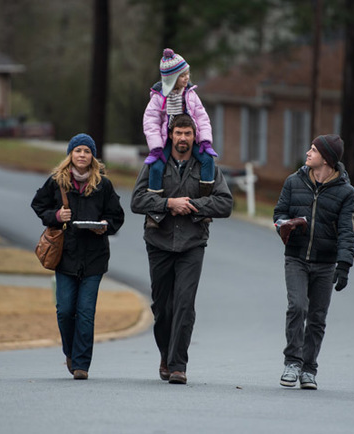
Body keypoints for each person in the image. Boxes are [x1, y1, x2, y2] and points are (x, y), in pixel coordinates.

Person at [131, 114, 233, 385]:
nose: (183, 138)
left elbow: (225, 204)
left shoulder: (207, 166)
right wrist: (168, 204)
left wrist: (194, 206)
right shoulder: (155, 164)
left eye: (188, 133)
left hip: (192, 243)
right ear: (171, 135)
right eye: (179, 133)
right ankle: (165, 355)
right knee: (163, 308)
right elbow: (137, 201)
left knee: (185, 305)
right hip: (159, 243)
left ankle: (178, 365)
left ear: (195, 135)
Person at [31, 133, 125, 380]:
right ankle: (70, 352)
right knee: (64, 310)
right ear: (70, 154)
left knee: (85, 311)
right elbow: (38, 206)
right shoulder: (57, 182)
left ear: (93, 156)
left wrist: (104, 224)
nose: (82, 155)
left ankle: (81, 364)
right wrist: (55, 216)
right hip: (66, 256)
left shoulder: (103, 185)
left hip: (94, 258)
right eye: (78, 150)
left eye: (87, 151)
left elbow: (117, 216)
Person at [273, 134, 354, 390]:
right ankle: (292, 363)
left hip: (325, 262)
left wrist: (344, 265)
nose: (308, 153)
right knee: (297, 307)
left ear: (327, 159)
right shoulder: (293, 182)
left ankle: (309, 369)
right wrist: (285, 225)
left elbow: (348, 230)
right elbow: (279, 213)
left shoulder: (346, 193)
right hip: (296, 257)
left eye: (313, 150)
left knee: (318, 317)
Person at [143, 48, 218, 226]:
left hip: (191, 138)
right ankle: (154, 213)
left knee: (208, 160)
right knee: (156, 167)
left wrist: (205, 140)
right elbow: (150, 122)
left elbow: (202, 117)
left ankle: (203, 207)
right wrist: (156, 147)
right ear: (171, 78)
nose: (187, 78)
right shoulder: (158, 97)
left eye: (187, 74)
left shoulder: (191, 94)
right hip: (167, 139)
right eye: (182, 76)